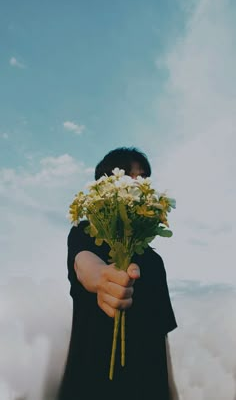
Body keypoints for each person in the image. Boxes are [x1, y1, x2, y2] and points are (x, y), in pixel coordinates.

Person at [57, 147, 179, 400]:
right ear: (106, 186)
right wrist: (103, 278)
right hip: (92, 383)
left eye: (143, 177)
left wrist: (173, 394)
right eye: (128, 176)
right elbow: (84, 265)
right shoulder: (85, 233)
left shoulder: (154, 261)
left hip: (149, 385)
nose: (137, 184)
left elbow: (162, 333)